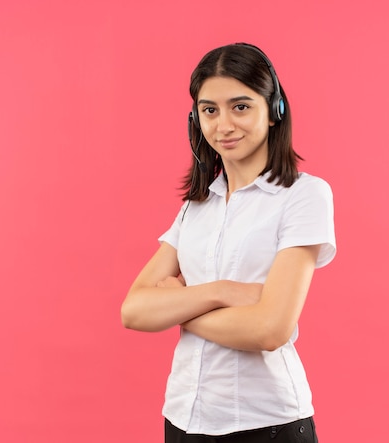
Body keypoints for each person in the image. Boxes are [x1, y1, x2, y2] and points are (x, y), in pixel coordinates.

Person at [121, 43, 336, 442]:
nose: (223, 124)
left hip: (266, 424)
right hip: (184, 418)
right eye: (209, 110)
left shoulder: (304, 196)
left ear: (274, 111)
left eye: (240, 106)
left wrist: (177, 309)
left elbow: (270, 329)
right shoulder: (196, 206)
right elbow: (134, 311)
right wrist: (223, 292)